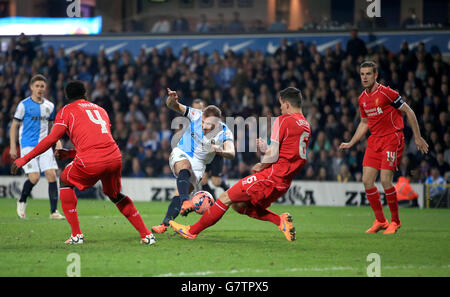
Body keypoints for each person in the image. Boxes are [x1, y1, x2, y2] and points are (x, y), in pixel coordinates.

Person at [11, 81, 156, 245]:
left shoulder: (66, 110)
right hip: (114, 157)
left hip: (92, 160)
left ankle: (76, 235)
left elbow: (51, 139)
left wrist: (24, 159)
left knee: (65, 180)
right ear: (85, 93)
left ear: (67, 96)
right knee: (115, 194)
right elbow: (99, 140)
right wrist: (71, 153)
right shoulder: (100, 110)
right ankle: (146, 235)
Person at [169, 87, 311, 242]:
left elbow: (274, 154)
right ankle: (280, 221)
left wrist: (262, 164)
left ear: (287, 104)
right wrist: (267, 149)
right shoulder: (305, 125)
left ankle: (192, 230)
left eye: (281, 105)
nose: (281, 108)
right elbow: (288, 153)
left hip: (271, 176)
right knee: (240, 205)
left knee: (225, 197)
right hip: (284, 182)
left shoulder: (283, 120)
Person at [339, 61, 429, 234]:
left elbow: (409, 111)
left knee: (386, 180)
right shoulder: (362, 99)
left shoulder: (388, 93)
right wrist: (351, 142)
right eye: (362, 74)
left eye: (368, 74)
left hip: (392, 138)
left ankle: (395, 221)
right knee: (367, 181)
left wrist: (417, 137)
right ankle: (381, 220)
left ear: (375, 75)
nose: (365, 77)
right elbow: (365, 122)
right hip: (374, 140)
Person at [151, 89, 235, 234]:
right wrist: (171, 99)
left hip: (199, 165)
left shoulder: (224, 132)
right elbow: (172, 105)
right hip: (182, 152)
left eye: (208, 124)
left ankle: (164, 224)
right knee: (185, 168)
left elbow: (231, 152)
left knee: (179, 193)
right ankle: (186, 201)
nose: (203, 126)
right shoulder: (196, 114)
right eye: (203, 121)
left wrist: (220, 151)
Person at [9, 74, 64, 220]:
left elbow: (53, 127)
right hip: (28, 146)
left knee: (52, 175)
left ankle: (54, 212)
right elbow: (14, 125)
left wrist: (57, 142)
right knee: (34, 177)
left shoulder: (50, 106)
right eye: (37, 86)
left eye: (42, 86)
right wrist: (13, 146)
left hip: (44, 145)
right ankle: (21, 201)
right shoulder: (23, 105)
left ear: (45, 88)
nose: (39, 89)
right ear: (31, 87)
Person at [191, 98, 230, 197]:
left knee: (216, 182)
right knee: (202, 179)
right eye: (194, 109)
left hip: (215, 154)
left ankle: (230, 192)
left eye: (199, 109)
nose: (197, 111)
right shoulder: (194, 122)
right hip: (203, 154)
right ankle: (212, 201)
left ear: (203, 108)